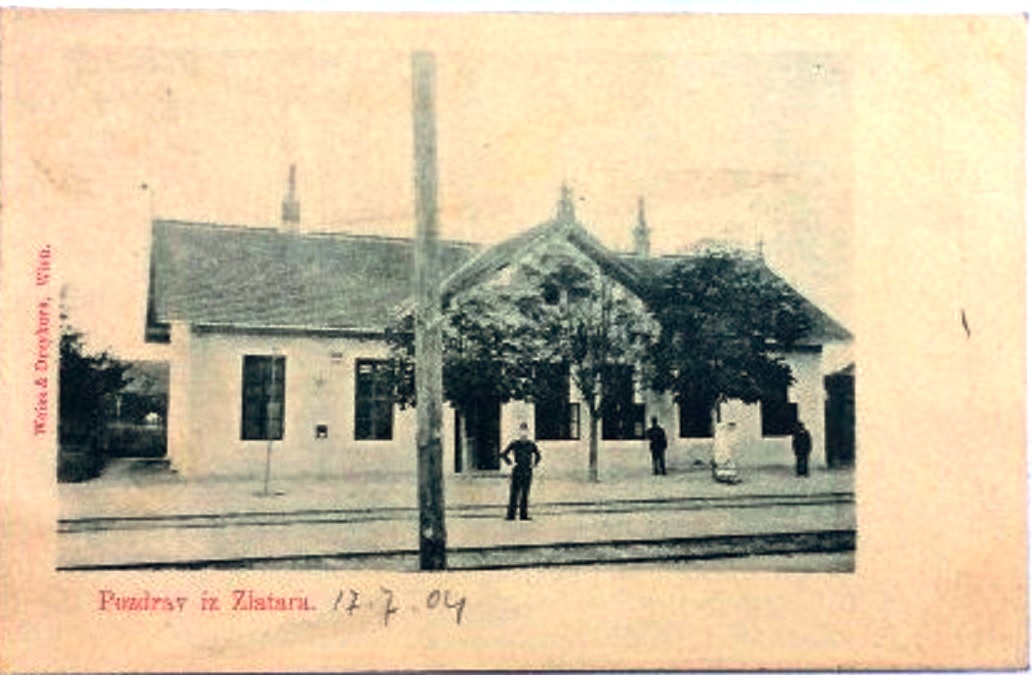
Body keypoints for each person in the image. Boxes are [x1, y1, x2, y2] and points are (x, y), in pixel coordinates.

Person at [500, 422, 542, 521]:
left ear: (527, 433)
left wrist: (534, 464)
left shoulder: (531, 444)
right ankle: (511, 515)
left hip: (527, 470)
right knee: (514, 493)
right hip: (517, 470)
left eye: (525, 432)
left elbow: (538, 456)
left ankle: (524, 515)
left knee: (525, 493)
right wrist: (510, 463)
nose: (523, 434)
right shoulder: (515, 443)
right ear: (519, 433)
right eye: (521, 432)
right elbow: (503, 454)